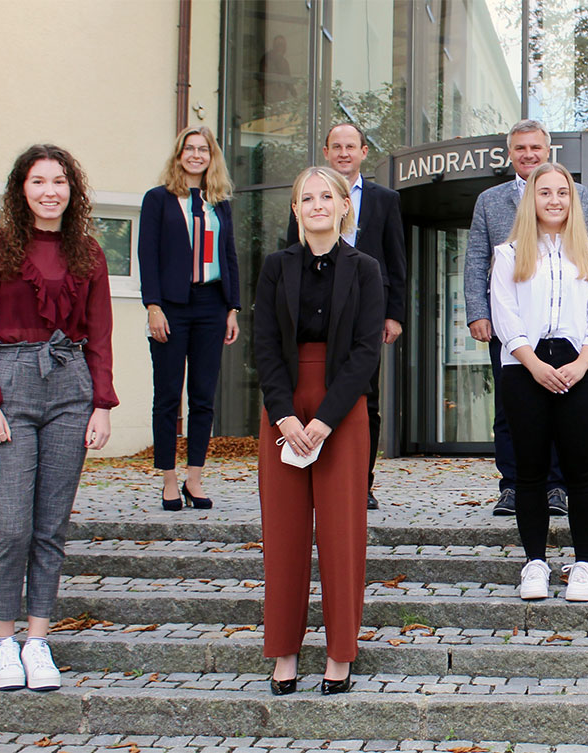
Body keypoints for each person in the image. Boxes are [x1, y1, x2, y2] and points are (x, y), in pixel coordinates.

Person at [0, 144, 117, 691]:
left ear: (72, 191)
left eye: (59, 181)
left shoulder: (88, 253)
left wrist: (101, 403)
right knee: (11, 525)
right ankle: (2, 642)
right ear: (21, 189)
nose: (50, 190)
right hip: (9, 386)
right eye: (38, 181)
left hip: (70, 386)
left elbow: (99, 334)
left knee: (50, 527)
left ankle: (37, 640)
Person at [255, 166, 383, 696]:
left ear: (342, 204)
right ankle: (284, 650)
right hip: (283, 407)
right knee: (283, 536)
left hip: (341, 410)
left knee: (340, 535)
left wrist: (324, 420)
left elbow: (365, 352)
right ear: (295, 209)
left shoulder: (366, 269)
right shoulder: (274, 267)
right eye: (306, 198)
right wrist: (285, 416)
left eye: (325, 195)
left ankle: (339, 654)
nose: (316, 204)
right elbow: (264, 345)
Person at [490, 163, 588, 603]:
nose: (555, 200)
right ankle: (535, 563)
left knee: (581, 471)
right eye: (545, 193)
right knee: (530, 472)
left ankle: (583, 565)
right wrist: (533, 364)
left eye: (563, 192)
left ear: (572, 199)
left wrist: (582, 364)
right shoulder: (509, 255)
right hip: (524, 368)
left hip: (579, 367)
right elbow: (505, 315)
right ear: (532, 199)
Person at [464, 119, 588, 517]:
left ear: (547, 150)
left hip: (565, 327)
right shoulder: (490, 201)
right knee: (510, 409)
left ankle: (556, 487)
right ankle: (513, 485)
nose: (528, 154)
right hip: (509, 327)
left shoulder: (577, 196)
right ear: (510, 153)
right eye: (520, 148)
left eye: (535, 148)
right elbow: (476, 260)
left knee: (562, 403)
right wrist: (478, 311)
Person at [285, 123, 406, 510]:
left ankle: (361, 480)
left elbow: (396, 260)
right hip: (315, 312)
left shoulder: (384, 199)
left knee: (364, 400)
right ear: (326, 151)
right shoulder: (308, 196)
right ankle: (311, 470)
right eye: (336, 146)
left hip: (366, 308)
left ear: (363, 152)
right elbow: (293, 253)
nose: (343, 152)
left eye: (350, 146)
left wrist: (394, 314)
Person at [138, 125, 241, 511]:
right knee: (167, 396)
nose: (196, 155)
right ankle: (168, 479)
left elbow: (229, 257)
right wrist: (153, 306)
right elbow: (147, 256)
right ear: (179, 154)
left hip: (211, 306)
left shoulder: (220, 203)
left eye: (203, 149)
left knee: (203, 397)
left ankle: (194, 478)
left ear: (211, 156)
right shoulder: (159, 200)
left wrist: (232, 308)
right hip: (171, 307)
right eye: (189, 148)